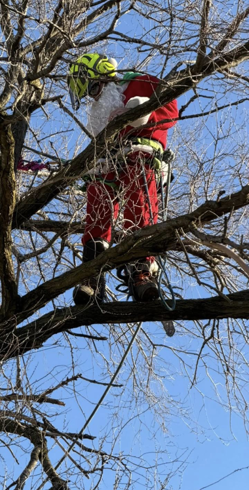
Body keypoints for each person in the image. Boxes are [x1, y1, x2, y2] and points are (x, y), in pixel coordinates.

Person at [68, 53, 179, 305]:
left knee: (137, 195)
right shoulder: (100, 114)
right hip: (110, 159)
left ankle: (141, 269)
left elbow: (170, 110)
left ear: (106, 77)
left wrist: (143, 113)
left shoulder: (139, 83)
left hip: (142, 155)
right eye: (90, 94)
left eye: (95, 88)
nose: (94, 97)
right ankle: (92, 273)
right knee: (97, 195)